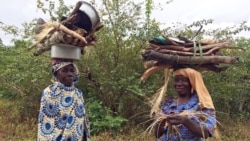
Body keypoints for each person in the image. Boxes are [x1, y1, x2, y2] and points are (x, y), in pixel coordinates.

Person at [154, 67, 217, 141]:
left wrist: (185, 121)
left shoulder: (202, 105)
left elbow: (206, 133)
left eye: (184, 80)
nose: (179, 84)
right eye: (176, 80)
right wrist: (160, 122)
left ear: (192, 82)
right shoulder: (167, 104)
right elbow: (157, 134)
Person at [37, 58, 90, 141]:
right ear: (56, 73)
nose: (70, 74)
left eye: (72, 70)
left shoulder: (78, 93)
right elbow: (45, 123)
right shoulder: (49, 92)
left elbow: (82, 122)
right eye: (64, 71)